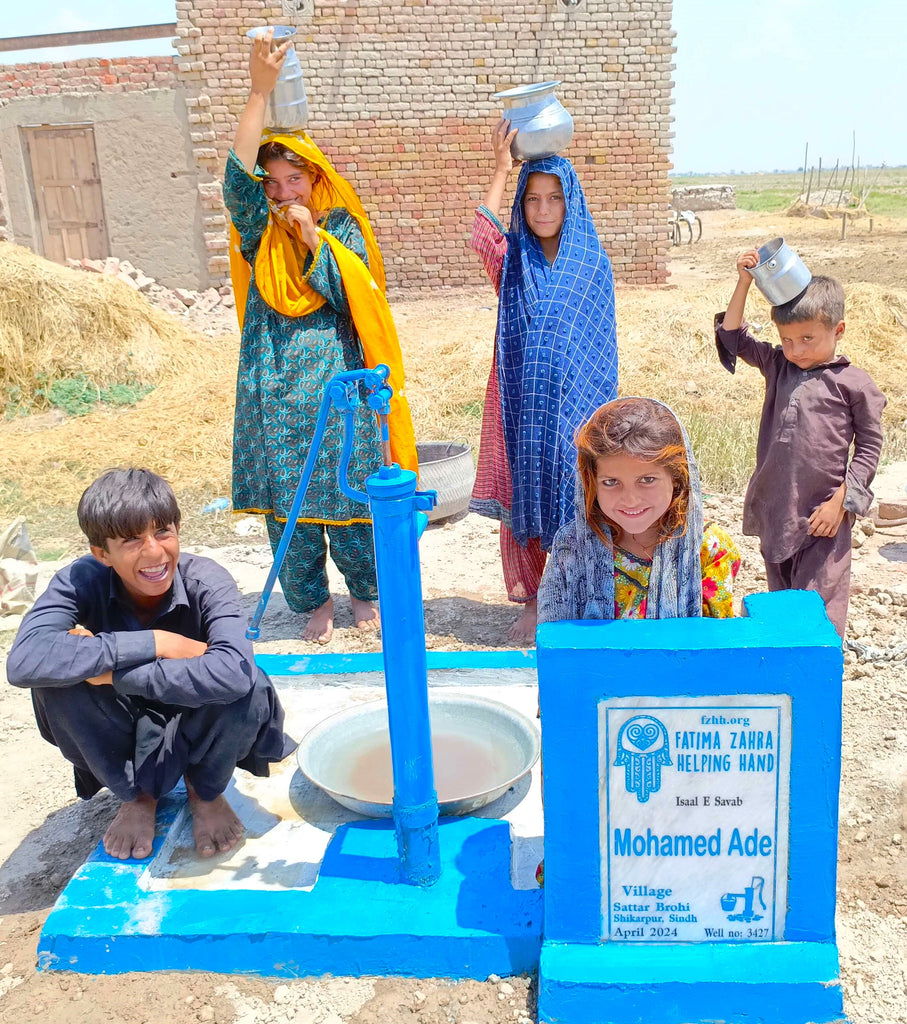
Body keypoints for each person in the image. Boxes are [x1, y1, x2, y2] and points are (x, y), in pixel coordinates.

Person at [224, 29, 417, 644]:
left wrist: (312, 239)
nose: (283, 194)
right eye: (273, 183)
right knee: (290, 509)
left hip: (338, 389)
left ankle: (364, 592)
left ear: (316, 181)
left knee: (348, 490)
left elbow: (352, 292)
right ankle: (313, 604)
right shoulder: (257, 234)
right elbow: (233, 180)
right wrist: (259, 94)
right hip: (274, 389)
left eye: (294, 181)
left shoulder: (341, 230)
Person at [6, 469, 296, 862]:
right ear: (101, 554)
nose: (155, 553)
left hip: (198, 712)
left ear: (178, 529)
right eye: (131, 540)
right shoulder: (78, 580)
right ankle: (138, 797)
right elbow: (25, 661)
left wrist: (115, 673)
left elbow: (233, 673)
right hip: (118, 718)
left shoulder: (207, 580)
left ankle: (205, 791)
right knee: (56, 682)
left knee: (249, 686)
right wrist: (161, 643)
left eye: (162, 532)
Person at [470, 118, 619, 643]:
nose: (542, 210)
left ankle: (574, 595)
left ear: (570, 201)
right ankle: (535, 600)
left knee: (574, 497)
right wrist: (500, 168)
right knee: (526, 498)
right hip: (522, 406)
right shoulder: (513, 262)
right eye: (531, 199)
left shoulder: (591, 265)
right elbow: (481, 231)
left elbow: (601, 349)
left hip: (577, 409)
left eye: (554, 198)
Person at [715, 254, 886, 637]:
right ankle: (787, 690)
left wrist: (842, 502)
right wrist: (744, 282)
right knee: (783, 608)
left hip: (824, 515)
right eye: (787, 340)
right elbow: (732, 336)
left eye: (808, 338)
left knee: (818, 613)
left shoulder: (854, 384)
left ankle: (820, 688)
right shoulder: (779, 366)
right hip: (777, 510)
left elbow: (871, 446)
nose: (797, 350)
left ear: (838, 329)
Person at [538, 398, 740, 623]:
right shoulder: (573, 544)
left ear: (676, 478)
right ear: (591, 482)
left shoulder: (708, 548)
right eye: (610, 482)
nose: (630, 499)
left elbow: (717, 642)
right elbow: (553, 633)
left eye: (647, 479)